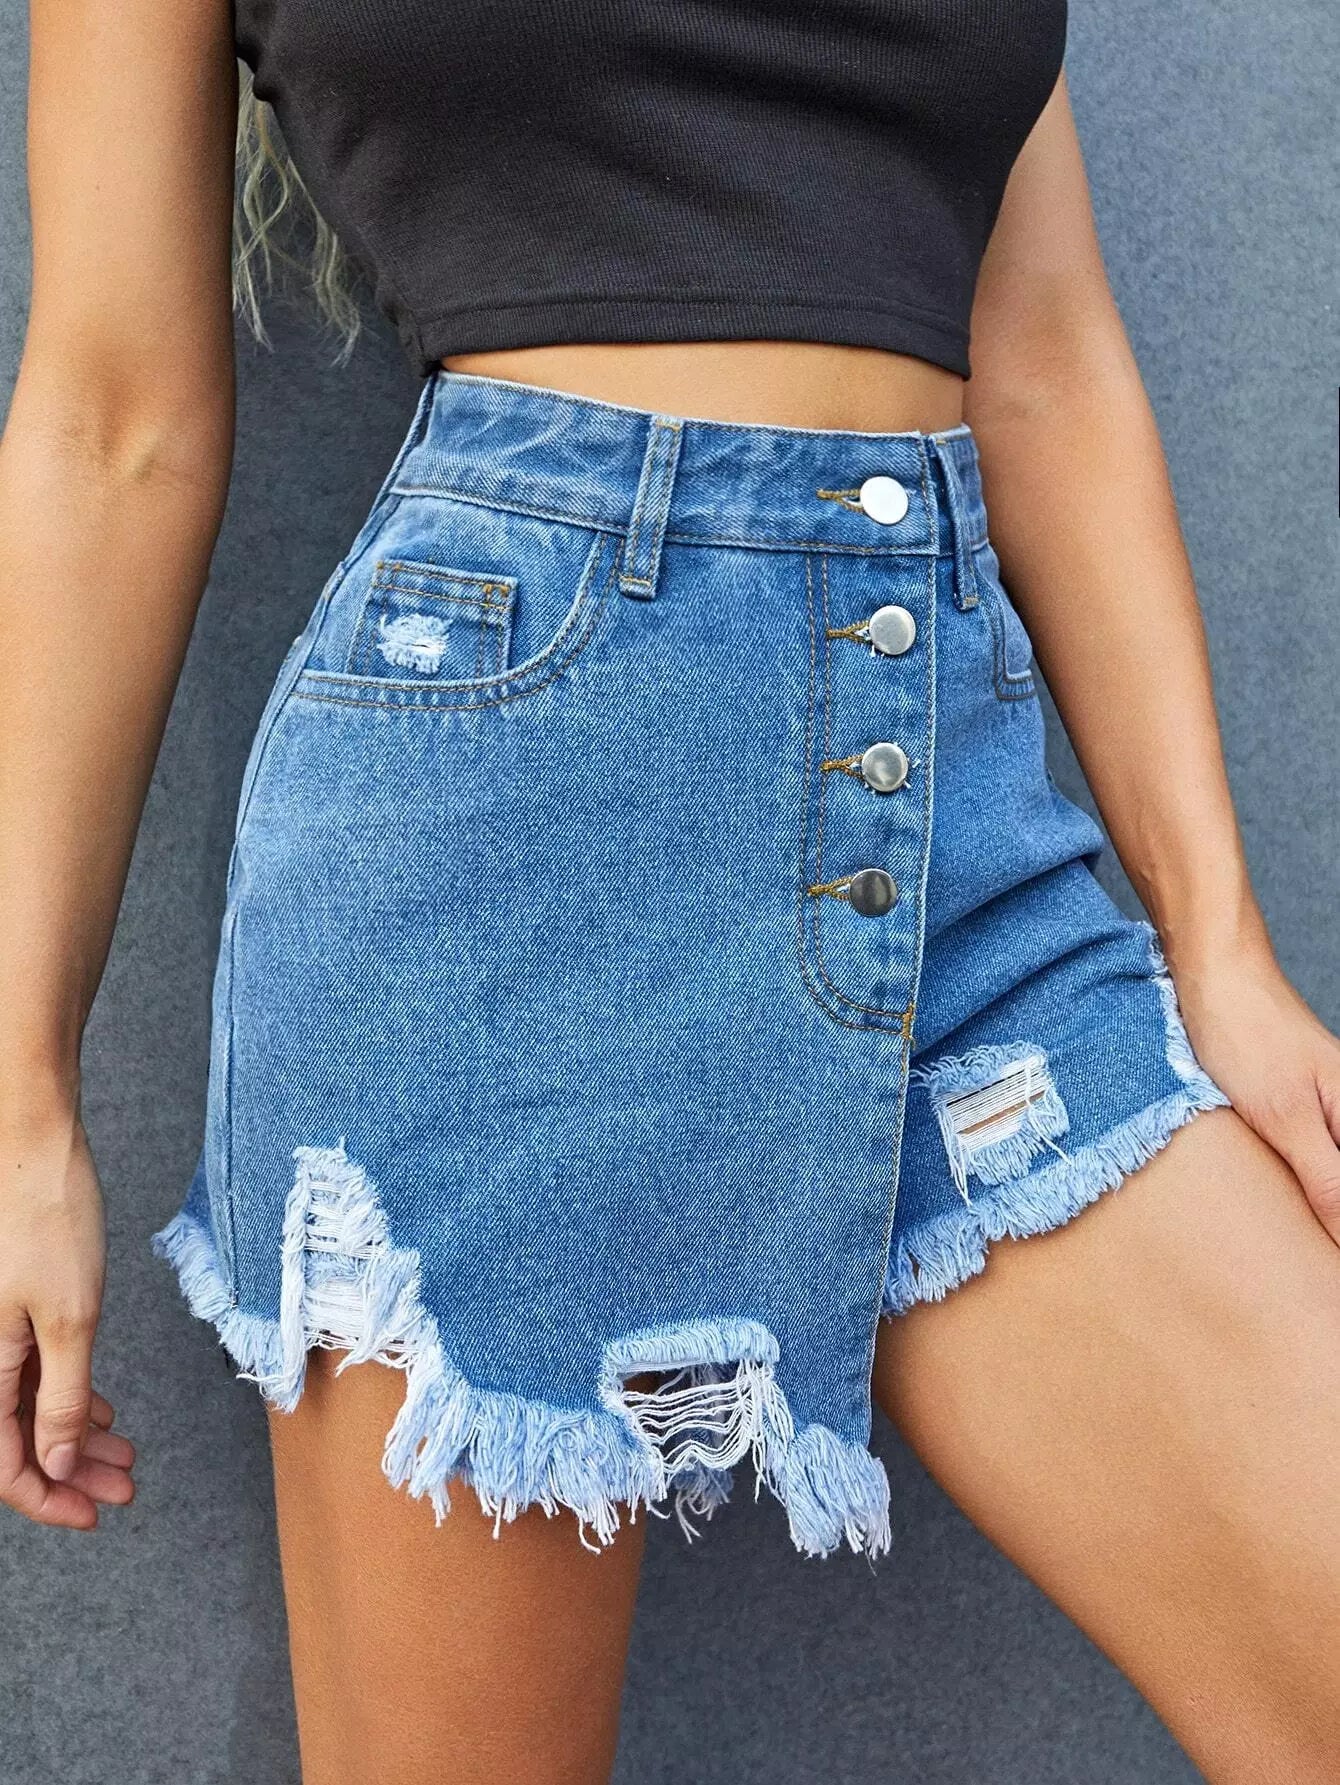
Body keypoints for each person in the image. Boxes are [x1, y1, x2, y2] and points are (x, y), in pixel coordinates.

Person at [2, 2, 1337, 1781]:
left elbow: (1041, 358)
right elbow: (114, 426)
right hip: (495, 842)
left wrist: (1217, 942)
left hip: (945, 817)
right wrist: (21, 1095)